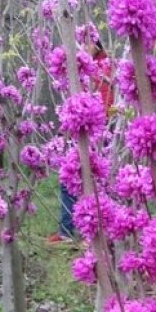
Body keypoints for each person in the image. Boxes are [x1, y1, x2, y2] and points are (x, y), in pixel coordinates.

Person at [48, 39, 114, 245]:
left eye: (86, 44)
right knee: (71, 178)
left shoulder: (102, 68)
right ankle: (73, 230)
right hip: (85, 131)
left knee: (86, 181)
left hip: (95, 133)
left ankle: (86, 231)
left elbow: (105, 105)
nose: (83, 48)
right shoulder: (90, 69)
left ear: (97, 45)